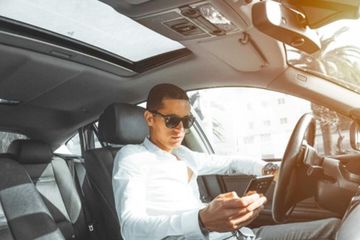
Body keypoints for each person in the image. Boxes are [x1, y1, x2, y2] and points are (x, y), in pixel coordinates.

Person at [112, 83, 340, 240]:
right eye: (172, 121)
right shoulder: (132, 157)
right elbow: (130, 229)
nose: (181, 129)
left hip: (241, 235)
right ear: (149, 118)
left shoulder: (186, 155)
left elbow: (231, 162)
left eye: (186, 121)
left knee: (334, 228)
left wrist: (270, 169)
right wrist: (201, 220)